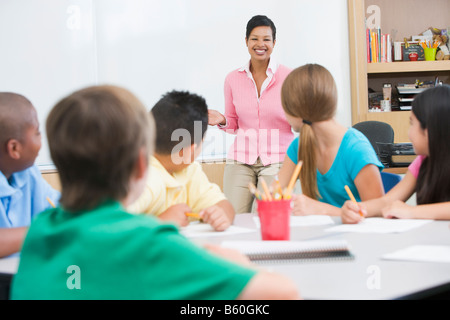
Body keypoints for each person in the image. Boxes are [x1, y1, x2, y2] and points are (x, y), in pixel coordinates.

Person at [11, 85, 300, 300]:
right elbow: (285, 292)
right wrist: (237, 264)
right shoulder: (148, 241)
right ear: (141, 163)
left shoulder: (39, 233)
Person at [208, 15, 294, 213]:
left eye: (266, 39)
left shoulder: (289, 77)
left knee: (266, 215)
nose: (260, 44)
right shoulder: (232, 79)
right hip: (242, 159)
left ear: (274, 42)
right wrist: (222, 120)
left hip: (278, 158)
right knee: (234, 216)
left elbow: (299, 119)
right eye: (254, 38)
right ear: (246, 41)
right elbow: (233, 124)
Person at [277, 64, 384, 216]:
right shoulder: (298, 146)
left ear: (295, 109)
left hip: (356, 236)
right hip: (318, 235)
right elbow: (275, 194)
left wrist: (321, 209)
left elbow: (379, 213)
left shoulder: (356, 149)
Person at [128, 90, 234, 231]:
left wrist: (221, 214)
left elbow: (223, 204)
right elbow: (107, 230)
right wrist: (160, 222)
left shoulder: (189, 170)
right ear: (190, 150)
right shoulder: (144, 178)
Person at [342, 85, 450, 223]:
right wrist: (357, 208)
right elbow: (387, 202)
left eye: (412, 124)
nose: (409, 133)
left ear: (429, 130)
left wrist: (411, 211)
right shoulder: (423, 161)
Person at [0, 92, 60, 258]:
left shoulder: (28, 173)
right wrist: (43, 230)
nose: (41, 140)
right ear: (14, 148)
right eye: (37, 132)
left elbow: (57, 206)